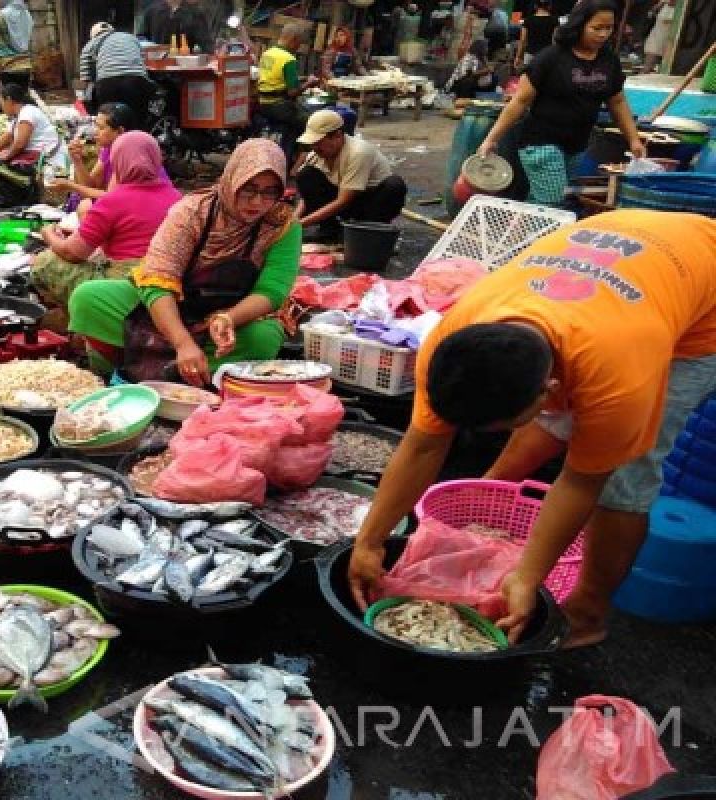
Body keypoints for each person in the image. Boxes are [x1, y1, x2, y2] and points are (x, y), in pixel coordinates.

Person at [348, 210, 716, 649]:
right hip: (621, 249)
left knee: (624, 480)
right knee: (558, 431)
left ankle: (587, 615)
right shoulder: (452, 341)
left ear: (551, 390)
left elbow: (582, 480)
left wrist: (527, 576)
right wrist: (370, 540)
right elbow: (423, 446)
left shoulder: (621, 378)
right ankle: (482, 514)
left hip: (700, 300)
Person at [68, 139, 300, 386]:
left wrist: (227, 319)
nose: (257, 202)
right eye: (248, 189)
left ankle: (188, 373)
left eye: (269, 192)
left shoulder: (281, 226)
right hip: (171, 303)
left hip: (232, 311)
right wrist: (182, 342)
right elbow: (158, 279)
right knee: (88, 299)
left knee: (264, 337)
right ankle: (137, 368)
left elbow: (271, 291)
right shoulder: (192, 211)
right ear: (232, 179)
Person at [479, 0, 644, 208]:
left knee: (542, 202)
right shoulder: (551, 58)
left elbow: (617, 101)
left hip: (577, 145)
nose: (603, 34)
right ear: (580, 25)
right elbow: (520, 101)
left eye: (608, 28)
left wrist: (634, 140)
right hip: (541, 143)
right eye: (596, 28)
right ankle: (537, 238)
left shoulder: (608, 60)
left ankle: (521, 235)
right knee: (552, 202)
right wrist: (492, 139)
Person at [33, 132, 181, 319]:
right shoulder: (176, 197)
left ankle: (76, 318)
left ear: (118, 161)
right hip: (166, 288)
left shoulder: (113, 201)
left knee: (44, 261)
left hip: (124, 288)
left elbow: (72, 254)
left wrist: (48, 235)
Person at [292, 110, 407, 240]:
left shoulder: (359, 152)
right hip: (344, 201)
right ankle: (329, 230)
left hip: (370, 202)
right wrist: (292, 221)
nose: (315, 148)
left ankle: (370, 231)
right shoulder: (316, 156)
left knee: (394, 185)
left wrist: (300, 224)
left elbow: (343, 201)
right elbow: (306, 198)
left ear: (337, 135)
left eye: (319, 143)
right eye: (313, 144)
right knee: (306, 175)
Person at [55, 103, 169, 216]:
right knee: (81, 201)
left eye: (101, 128)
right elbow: (90, 187)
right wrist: (77, 161)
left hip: (148, 210)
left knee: (85, 207)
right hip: (127, 205)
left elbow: (111, 197)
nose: (95, 132)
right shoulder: (108, 149)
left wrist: (71, 186)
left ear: (120, 131)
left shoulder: (130, 154)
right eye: (96, 126)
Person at [257, 22, 320, 166]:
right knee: (312, 122)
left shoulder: (268, 53)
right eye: (299, 43)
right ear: (293, 39)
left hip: (264, 104)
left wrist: (301, 79)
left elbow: (275, 77)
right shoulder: (288, 59)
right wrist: (309, 83)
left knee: (293, 125)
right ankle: (299, 163)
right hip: (280, 106)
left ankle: (289, 155)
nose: (298, 47)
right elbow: (292, 92)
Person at [79, 22, 154, 129]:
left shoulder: (90, 44)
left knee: (110, 117)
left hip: (108, 83)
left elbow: (85, 78)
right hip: (136, 80)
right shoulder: (130, 38)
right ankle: (138, 140)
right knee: (137, 117)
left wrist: (85, 96)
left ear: (93, 35)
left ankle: (115, 141)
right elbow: (142, 60)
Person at [139, 0, 211, 54]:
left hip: (183, 66)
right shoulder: (151, 11)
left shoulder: (195, 14)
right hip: (156, 66)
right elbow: (141, 38)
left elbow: (206, 45)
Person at [0, 0, 33, 90]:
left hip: (7, 65)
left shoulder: (0, 16)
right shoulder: (27, 13)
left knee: (10, 100)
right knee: (22, 98)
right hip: (25, 64)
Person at [642, 0, 675, 73]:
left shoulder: (679, 10)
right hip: (656, 37)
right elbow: (650, 14)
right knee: (647, 67)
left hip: (669, 41)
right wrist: (658, 6)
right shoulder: (663, 4)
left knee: (663, 69)